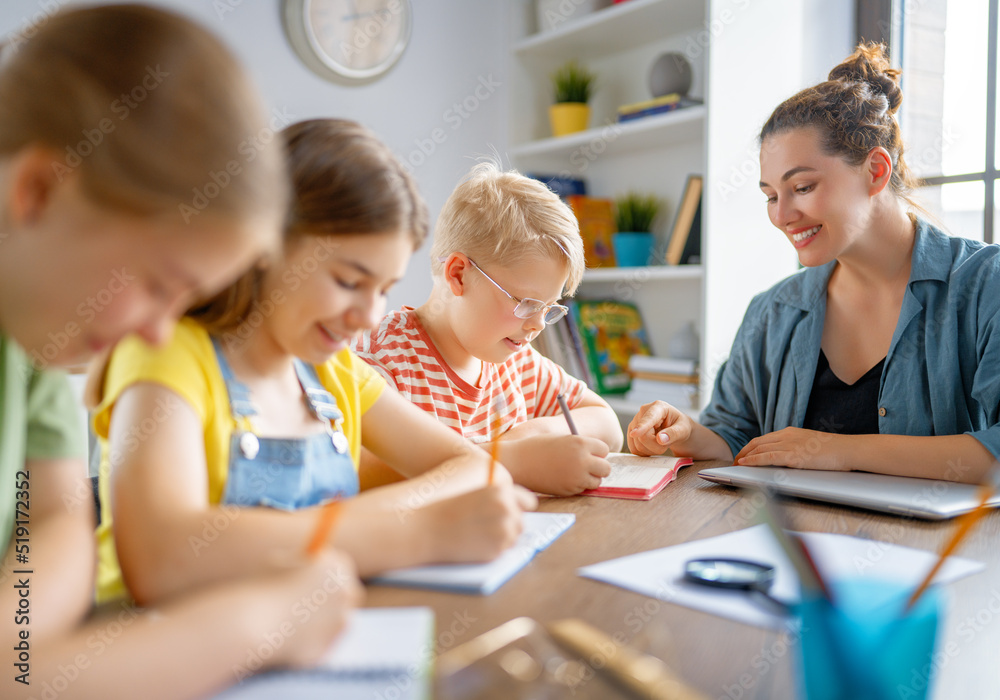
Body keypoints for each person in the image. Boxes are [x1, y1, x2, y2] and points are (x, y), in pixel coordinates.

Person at [0, 6, 359, 700]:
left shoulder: (34, 335)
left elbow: (47, 517)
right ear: (39, 192)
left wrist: (16, 648)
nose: (161, 334)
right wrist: (254, 626)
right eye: (161, 285)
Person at [93, 119, 536, 606]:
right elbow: (163, 558)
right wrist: (412, 531)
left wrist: (393, 525)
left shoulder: (333, 370)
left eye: (384, 290)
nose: (368, 316)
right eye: (348, 281)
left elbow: (472, 467)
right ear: (265, 245)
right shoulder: (167, 354)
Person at [628, 43, 1000, 485]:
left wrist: (839, 450)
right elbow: (736, 439)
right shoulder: (773, 310)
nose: (782, 215)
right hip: (794, 549)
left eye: (802, 187)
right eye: (770, 196)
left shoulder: (984, 286)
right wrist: (687, 433)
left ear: (876, 172)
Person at [352, 162, 623, 497]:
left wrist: (534, 434)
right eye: (526, 303)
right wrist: (507, 460)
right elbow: (363, 473)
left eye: (548, 308)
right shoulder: (383, 358)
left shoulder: (515, 360)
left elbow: (607, 423)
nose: (537, 324)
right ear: (459, 275)